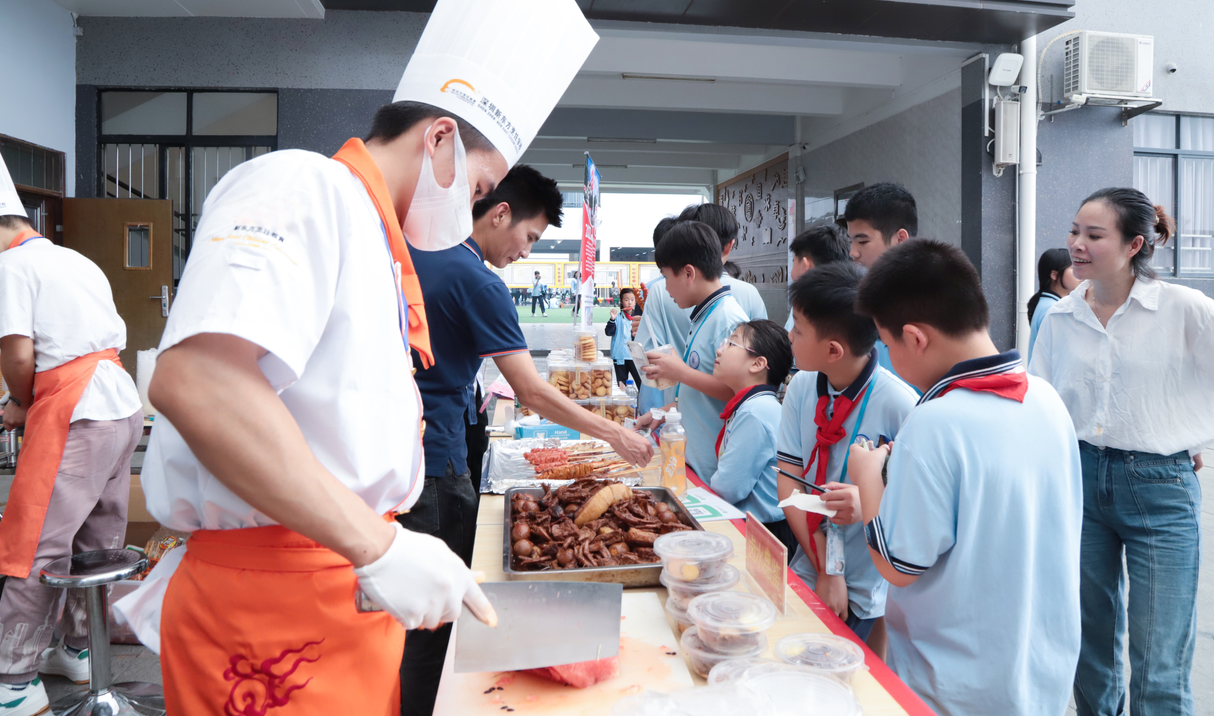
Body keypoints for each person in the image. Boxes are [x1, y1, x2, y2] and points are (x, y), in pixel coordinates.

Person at [113, 2, 600, 713]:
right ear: (439, 139)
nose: (473, 210)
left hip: (342, 591)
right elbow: (204, 380)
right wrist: (377, 545)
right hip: (274, 609)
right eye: (479, 188)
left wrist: (382, 546)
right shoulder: (302, 187)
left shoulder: (376, 241)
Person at [404, 164, 651, 715]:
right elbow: (533, 392)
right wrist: (615, 434)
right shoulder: (480, 281)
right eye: (530, 237)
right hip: (435, 460)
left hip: (399, 453)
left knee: (412, 607)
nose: (527, 251)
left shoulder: (417, 254)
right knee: (438, 616)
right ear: (499, 213)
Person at [834, 239, 1082, 716]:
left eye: (887, 346)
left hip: (950, 683)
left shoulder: (936, 421)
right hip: (1039, 672)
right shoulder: (1046, 399)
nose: (891, 360)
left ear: (916, 337)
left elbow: (897, 565)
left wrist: (868, 476)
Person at [1029, 188, 1214, 716]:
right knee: (1089, 645)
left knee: (1159, 658)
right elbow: (1042, 403)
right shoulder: (1061, 317)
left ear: (1135, 244)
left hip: (1161, 489)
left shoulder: (1182, 307)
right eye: (1074, 232)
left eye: (1093, 235)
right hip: (1080, 481)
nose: (1076, 245)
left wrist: (1191, 432)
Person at [0, 157, 143, 716]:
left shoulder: (11, 269)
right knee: (95, 542)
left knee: (37, 544)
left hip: (75, 411)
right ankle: (79, 650)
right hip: (120, 404)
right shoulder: (74, 260)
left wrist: (18, 400)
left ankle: (14, 680)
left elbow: (17, 353)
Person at [775, 261, 916, 649]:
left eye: (798, 329)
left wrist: (870, 499)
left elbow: (916, 506)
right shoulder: (802, 388)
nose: (789, 335)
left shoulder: (902, 406)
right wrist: (825, 565)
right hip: (811, 562)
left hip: (866, 584)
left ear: (833, 350)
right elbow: (787, 480)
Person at [638, 221, 748, 480]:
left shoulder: (727, 319)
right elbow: (705, 390)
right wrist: (665, 412)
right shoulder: (704, 315)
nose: (665, 288)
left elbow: (739, 392)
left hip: (715, 467)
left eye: (666, 277)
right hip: (695, 460)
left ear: (689, 273)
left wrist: (681, 372)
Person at [706, 319, 794, 552]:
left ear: (757, 364)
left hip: (765, 532)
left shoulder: (756, 412)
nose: (720, 349)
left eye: (732, 344)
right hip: (758, 525)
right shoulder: (752, 406)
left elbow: (728, 487)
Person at [842, 183, 918, 379]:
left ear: (900, 238)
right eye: (851, 241)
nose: (853, 252)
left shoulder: (933, 299)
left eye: (863, 241)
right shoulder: (862, 297)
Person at [784, 223, 851, 332]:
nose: (792, 336)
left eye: (794, 262)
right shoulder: (854, 306)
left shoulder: (806, 308)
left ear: (806, 266)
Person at [1026, 247, 1076, 362]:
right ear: (1054, 275)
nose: (1079, 275)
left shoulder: (1048, 304)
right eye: (1073, 268)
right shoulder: (1052, 309)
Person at [606, 287, 643, 388]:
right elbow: (608, 332)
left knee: (641, 383)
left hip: (635, 357)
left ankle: (641, 403)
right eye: (626, 300)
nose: (630, 303)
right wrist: (612, 320)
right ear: (621, 302)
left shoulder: (639, 318)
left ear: (635, 302)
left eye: (632, 299)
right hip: (620, 356)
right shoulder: (616, 318)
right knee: (621, 385)